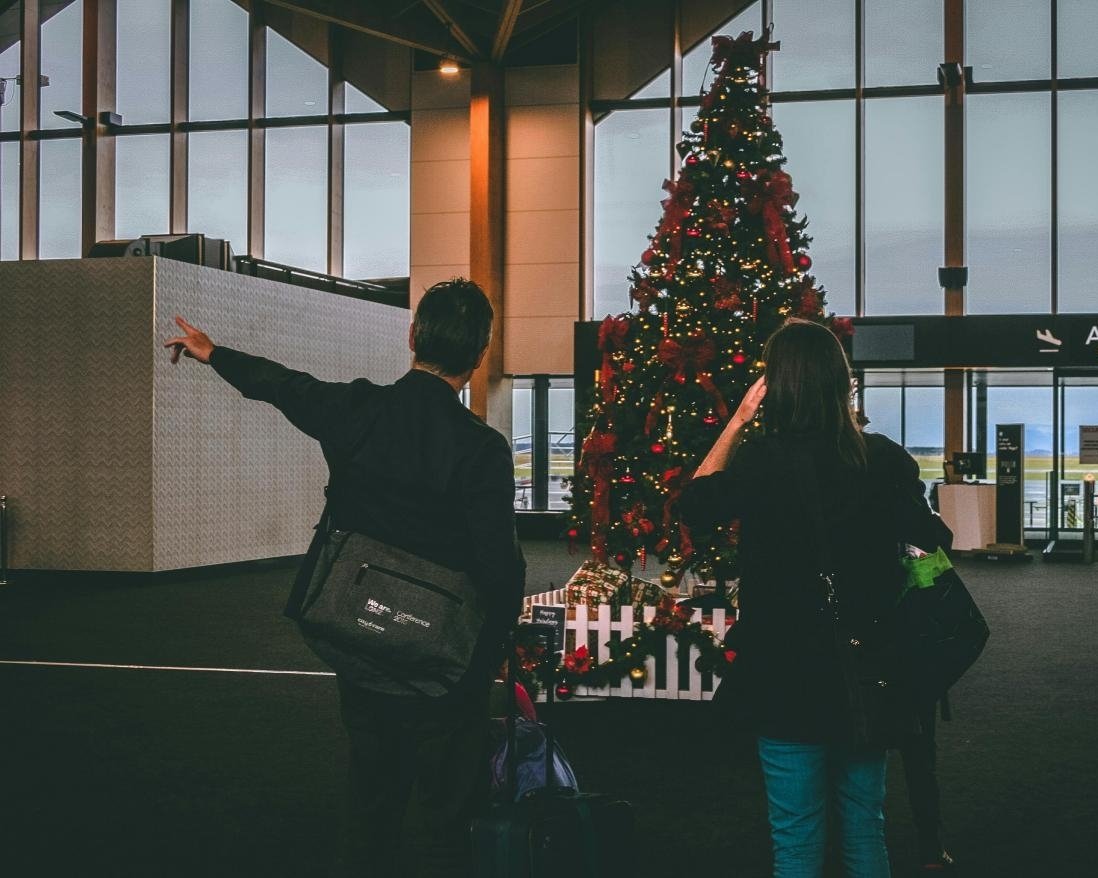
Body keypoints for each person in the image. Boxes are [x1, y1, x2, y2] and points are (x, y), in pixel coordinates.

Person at [163, 278, 526, 878]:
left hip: (362, 639)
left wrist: (212, 351)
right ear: (481, 354)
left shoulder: (357, 410)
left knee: (372, 806)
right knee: (446, 819)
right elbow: (499, 568)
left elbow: (282, 386)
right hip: (447, 662)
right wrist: (496, 649)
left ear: (413, 337)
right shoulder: (481, 449)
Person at [680, 318, 950, 878]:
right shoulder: (882, 459)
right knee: (863, 827)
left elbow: (696, 502)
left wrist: (738, 420)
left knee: (796, 839)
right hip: (865, 669)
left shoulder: (763, 461)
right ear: (842, 383)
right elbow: (935, 540)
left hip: (784, 675)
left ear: (778, 386)